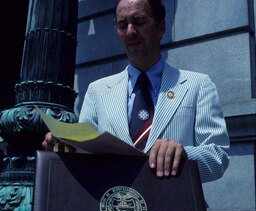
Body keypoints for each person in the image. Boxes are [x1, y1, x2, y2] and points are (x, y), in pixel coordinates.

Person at [42, 0, 230, 183]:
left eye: (139, 22)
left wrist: (184, 155)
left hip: (174, 208)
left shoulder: (198, 85)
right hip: (113, 208)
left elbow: (218, 157)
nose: (130, 31)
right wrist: (65, 150)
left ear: (161, 27)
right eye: (122, 25)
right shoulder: (97, 91)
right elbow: (86, 155)